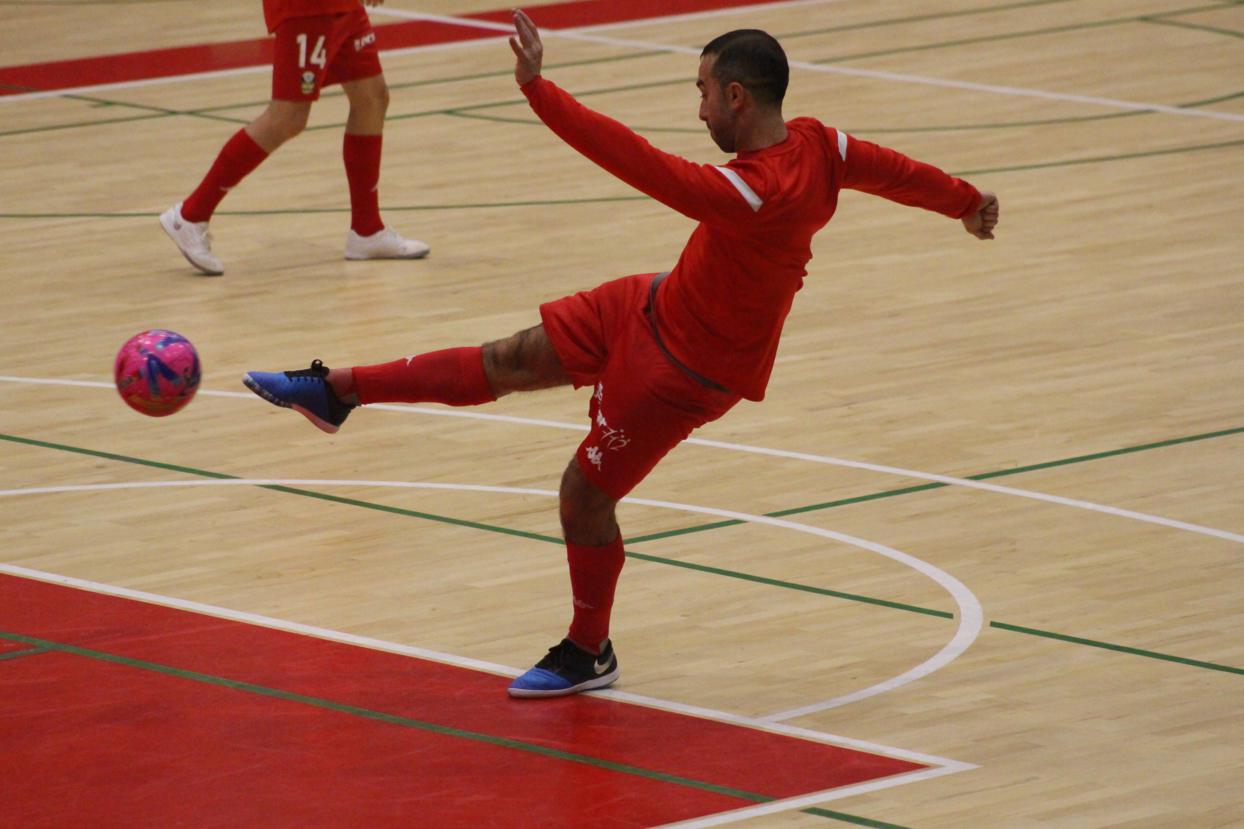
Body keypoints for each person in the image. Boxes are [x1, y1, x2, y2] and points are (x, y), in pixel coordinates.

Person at [242, 9, 999, 697]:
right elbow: (896, 172)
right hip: (653, 303)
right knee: (508, 357)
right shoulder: (822, 144)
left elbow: (633, 159)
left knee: (583, 496)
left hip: (685, 373)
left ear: (737, 97)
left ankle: (588, 650)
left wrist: (539, 91)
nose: (698, 107)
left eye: (703, 92)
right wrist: (965, 202)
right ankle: (338, 390)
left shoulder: (752, 194)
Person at [160, 0, 428, 276]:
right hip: (308, 7)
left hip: (342, 6)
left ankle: (367, 230)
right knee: (287, 116)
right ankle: (190, 215)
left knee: (372, 97)